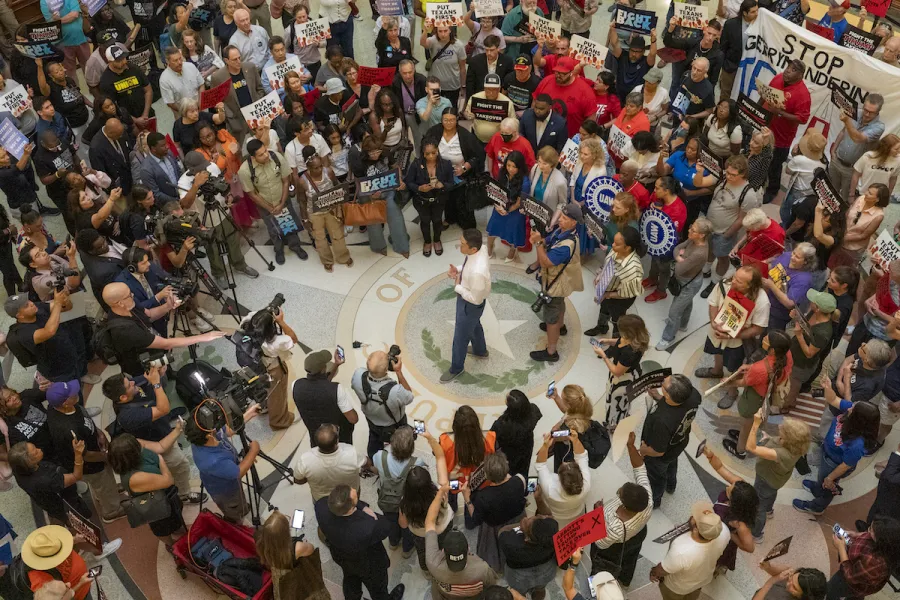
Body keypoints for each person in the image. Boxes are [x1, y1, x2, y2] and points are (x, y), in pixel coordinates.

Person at [102, 368, 200, 503]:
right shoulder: (127, 416)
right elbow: (163, 409)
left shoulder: (130, 386)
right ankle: (184, 494)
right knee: (181, 465)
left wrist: (158, 371)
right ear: (123, 397)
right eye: (128, 384)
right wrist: (156, 384)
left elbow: (147, 376)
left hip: (160, 428)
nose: (132, 382)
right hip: (157, 442)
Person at [794, 377, 880, 515]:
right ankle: (818, 487)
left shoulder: (857, 444)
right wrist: (827, 388)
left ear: (859, 420)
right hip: (827, 452)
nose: (850, 406)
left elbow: (845, 465)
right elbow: (834, 400)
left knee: (828, 487)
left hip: (834, 464)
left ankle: (817, 506)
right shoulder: (852, 411)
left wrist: (830, 478)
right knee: (822, 477)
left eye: (853, 408)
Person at [101, 282, 224, 377]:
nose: (132, 295)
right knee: (156, 387)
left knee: (165, 372)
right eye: (128, 295)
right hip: (142, 367)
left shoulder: (130, 305)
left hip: (152, 350)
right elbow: (165, 344)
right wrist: (204, 337)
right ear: (120, 303)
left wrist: (168, 306)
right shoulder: (125, 330)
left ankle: (169, 375)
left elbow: (149, 314)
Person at [46, 380, 125, 523]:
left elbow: (84, 416)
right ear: (65, 403)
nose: (76, 392)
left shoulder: (60, 406)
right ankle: (112, 511)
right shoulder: (67, 429)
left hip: (95, 449)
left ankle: (108, 492)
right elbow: (86, 455)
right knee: (102, 481)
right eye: (71, 393)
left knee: (104, 484)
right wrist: (107, 456)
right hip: (91, 465)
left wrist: (98, 432)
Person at [316, 485, 405, 600]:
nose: (354, 489)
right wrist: (367, 510)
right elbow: (386, 526)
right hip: (369, 564)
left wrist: (361, 506)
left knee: (350, 580)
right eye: (355, 497)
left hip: (341, 556)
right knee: (378, 588)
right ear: (350, 508)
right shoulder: (369, 526)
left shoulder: (321, 506)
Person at [590, 432, 652, 586]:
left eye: (620, 493)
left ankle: (596, 587)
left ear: (624, 504)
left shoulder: (615, 528)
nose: (618, 491)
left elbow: (600, 543)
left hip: (614, 545)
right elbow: (640, 469)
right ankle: (625, 579)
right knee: (630, 557)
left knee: (602, 567)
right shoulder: (647, 499)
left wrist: (597, 513)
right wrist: (631, 446)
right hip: (638, 534)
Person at [186, 402, 261, 523]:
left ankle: (241, 509)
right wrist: (253, 451)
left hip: (230, 476)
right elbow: (238, 472)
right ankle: (237, 521)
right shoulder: (211, 460)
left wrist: (249, 414)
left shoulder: (205, 434)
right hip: (225, 492)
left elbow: (229, 431)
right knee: (234, 509)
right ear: (209, 435)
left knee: (240, 500)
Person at [108, 432, 186, 544]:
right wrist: (160, 459)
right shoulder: (135, 478)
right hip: (156, 506)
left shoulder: (134, 454)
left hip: (165, 496)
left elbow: (159, 446)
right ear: (132, 453)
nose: (139, 444)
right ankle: (170, 544)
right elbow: (168, 480)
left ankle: (177, 530)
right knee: (163, 528)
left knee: (175, 519)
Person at [239, 139, 309, 264]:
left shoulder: (276, 157)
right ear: (252, 157)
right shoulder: (245, 171)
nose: (266, 155)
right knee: (273, 228)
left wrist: (282, 203)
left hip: (282, 198)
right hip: (264, 205)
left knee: (288, 224)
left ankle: (295, 246)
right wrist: (270, 208)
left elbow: (286, 181)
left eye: (265, 150)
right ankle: (279, 250)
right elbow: (252, 194)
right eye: (260, 154)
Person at [530, 203, 584, 362]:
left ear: (574, 222)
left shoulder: (566, 246)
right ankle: (561, 327)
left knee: (551, 315)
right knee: (559, 303)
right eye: (561, 216)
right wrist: (541, 239)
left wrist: (538, 243)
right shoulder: (564, 232)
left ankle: (551, 351)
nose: (560, 219)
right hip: (559, 282)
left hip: (555, 284)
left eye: (565, 218)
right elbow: (549, 240)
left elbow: (546, 262)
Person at [640, 374, 701, 508]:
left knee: (656, 476)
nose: (661, 382)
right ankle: (671, 486)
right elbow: (678, 409)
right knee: (671, 465)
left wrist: (643, 450)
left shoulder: (662, 421)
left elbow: (658, 451)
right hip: (678, 443)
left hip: (660, 454)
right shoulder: (693, 395)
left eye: (663, 384)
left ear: (668, 395)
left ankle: (655, 500)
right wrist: (658, 397)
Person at [426, 488, 499, 598]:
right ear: (468, 549)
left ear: (443, 551)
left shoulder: (433, 564)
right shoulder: (483, 569)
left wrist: (440, 492)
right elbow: (492, 586)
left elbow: (429, 522)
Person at [649, 501, 731, 600]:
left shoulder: (681, 550)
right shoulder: (725, 532)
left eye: (695, 518)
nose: (692, 516)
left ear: (696, 529)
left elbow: (662, 570)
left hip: (677, 588)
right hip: (703, 580)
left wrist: (654, 572)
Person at [461, 452, 527, 572]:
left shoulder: (483, 496)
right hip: (517, 520)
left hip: (494, 529)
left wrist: (467, 498)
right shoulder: (520, 480)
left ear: (487, 475)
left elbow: (476, 519)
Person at [348, 135, 411, 257]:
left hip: (388, 190)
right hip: (368, 194)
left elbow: (395, 167)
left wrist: (400, 180)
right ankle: (378, 246)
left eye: (378, 151)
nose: (376, 154)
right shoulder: (359, 161)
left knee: (396, 218)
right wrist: (371, 195)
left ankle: (402, 246)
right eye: (372, 152)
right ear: (366, 151)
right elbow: (359, 182)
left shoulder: (386, 153)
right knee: (373, 222)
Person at [699, 448, 759, 573]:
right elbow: (720, 468)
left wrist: (731, 535)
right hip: (713, 527)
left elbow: (750, 547)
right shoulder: (739, 486)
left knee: (717, 558)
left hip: (722, 540)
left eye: (730, 490)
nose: (728, 485)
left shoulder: (740, 523)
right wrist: (710, 456)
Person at [657, 219, 712, 350]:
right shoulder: (693, 240)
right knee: (686, 302)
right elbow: (677, 248)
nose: (689, 230)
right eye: (691, 227)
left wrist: (679, 259)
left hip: (689, 283)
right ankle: (682, 325)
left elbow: (679, 269)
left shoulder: (700, 252)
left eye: (693, 230)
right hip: (687, 281)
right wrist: (679, 258)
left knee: (674, 312)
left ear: (702, 235)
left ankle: (667, 338)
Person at [426, 107, 484, 230]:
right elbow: (426, 149)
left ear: (456, 120)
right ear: (441, 120)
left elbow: (477, 155)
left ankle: (468, 225)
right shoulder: (434, 132)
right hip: (442, 173)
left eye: (452, 120)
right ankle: (449, 218)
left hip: (462, 174)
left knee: (463, 200)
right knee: (447, 199)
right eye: (445, 120)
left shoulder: (465, 135)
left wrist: (464, 167)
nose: (448, 123)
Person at [295, 147, 353, 272]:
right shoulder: (302, 181)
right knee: (320, 239)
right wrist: (305, 219)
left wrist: (340, 206)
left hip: (331, 210)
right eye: (316, 168)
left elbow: (339, 188)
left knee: (337, 234)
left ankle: (343, 256)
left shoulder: (329, 172)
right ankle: (327, 260)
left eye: (321, 166)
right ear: (309, 169)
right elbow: (302, 201)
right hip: (314, 214)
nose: (320, 169)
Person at [350, 349, 415, 458]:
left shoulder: (358, 375)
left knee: (374, 438)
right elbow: (409, 396)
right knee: (399, 443)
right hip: (393, 424)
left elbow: (354, 386)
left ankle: (373, 459)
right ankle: (394, 460)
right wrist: (398, 371)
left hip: (371, 419)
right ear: (387, 368)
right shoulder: (395, 391)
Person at [763, 60, 812, 203]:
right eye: (788, 67)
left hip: (782, 137)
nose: (787, 71)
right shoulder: (778, 78)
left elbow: (802, 119)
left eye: (793, 70)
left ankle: (772, 190)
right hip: (766, 127)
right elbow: (766, 94)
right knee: (762, 156)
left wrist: (780, 112)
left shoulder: (803, 94)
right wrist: (757, 111)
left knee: (775, 165)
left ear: (800, 75)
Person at [9, 438, 89, 523]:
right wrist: (78, 454)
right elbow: (76, 476)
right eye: (36, 452)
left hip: (45, 497)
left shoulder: (18, 468)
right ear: (29, 463)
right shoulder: (45, 480)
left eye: (35, 447)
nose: (39, 449)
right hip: (62, 502)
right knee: (75, 518)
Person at [254, 511, 329, 600]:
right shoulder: (297, 548)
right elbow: (311, 548)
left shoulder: (263, 543)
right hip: (299, 582)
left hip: (281, 581)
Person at [586, 226, 644, 337]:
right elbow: (607, 264)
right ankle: (602, 327)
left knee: (617, 319)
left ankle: (615, 344)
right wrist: (600, 277)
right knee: (604, 308)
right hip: (608, 288)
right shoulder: (616, 250)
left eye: (617, 244)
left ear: (627, 248)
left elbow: (626, 294)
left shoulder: (633, 268)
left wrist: (608, 294)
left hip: (621, 298)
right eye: (614, 242)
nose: (612, 246)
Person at [595, 314, 650, 430]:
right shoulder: (635, 338)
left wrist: (604, 356)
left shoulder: (630, 352)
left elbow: (617, 372)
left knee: (617, 403)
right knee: (620, 401)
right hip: (627, 373)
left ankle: (614, 425)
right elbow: (621, 341)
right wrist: (608, 341)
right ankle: (618, 418)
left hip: (624, 379)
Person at [828, 94, 885, 201]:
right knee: (830, 192)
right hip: (836, 161)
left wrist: (847, 121)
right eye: (865, 110)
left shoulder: (879, 127)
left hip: (852, 169)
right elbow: (843, 131)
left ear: (878, 112)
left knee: (844, 200)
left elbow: (857, 138)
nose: (867, 114)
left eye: (871, 112)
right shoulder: (855, 113)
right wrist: (833, 150)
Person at [826, 517, 900, 599]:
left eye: (870, 530)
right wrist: (855, 534)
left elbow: (850, 576)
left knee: (831, 589)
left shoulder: (874, 562)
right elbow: (867, 535)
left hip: (852, 584)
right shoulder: (888, 545)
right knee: (856, 596)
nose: (867, 531)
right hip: (862, 578)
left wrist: (841, 548)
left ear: (881, 540)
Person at [405, 139, 454, 257]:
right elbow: (409, 182)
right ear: (423, 153)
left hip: (439, 199)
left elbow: (451, 184)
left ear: (437, 150)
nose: (431, 156)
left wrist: (442, 185)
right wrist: (419, 188)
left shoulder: (446, 164)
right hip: (421, 200)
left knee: (437, 220)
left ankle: (437, 240)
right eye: (427, 154)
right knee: (425, 221)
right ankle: (427, 241)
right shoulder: (416, 164)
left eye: (433, 152)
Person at [294, 424, 366, 502]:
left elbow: (298, 480)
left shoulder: (305, 459)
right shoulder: (352, 452)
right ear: (337, 440)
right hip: (350, 495)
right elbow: (367, 464)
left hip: (321, 499)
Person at [210, 45, 265, 144]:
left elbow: (260, 88)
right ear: (226, 61)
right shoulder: (217, 77)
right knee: (239, 151)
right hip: (235, 120)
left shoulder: (250, 67)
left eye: (239, 58)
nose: (238, 61)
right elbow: (216, 101)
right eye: (234, 59)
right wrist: (227, 114)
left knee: (263, 145)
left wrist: (257, 103)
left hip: (255, 115)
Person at [531, 57, 595, 139]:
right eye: (556, 72)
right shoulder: (546, 81)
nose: (558, 76)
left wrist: (581, 139)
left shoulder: (585, 91)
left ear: (571, 72)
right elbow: (534, 102)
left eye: (563, 73)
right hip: (542, 133)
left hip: (570, 138)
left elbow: (591, 120)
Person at [535, 431, 589, 527]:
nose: (564, 462)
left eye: (565, 465)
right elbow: (582, 457)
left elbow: (540, 465)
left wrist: (545, 445)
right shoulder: (586, 484)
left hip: (554, 514)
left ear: (559, 478)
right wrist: (575, 441)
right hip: (576, 512)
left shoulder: (550, 489)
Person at [498, 515, 558, 600]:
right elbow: (549, 517)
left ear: (527, 538)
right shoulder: (550, 535)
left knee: (518, 594)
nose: (536, 516)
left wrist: (521, 525)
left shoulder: (510, 545)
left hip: (519, 578)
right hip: (547, 571)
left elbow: (502, 531)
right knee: (540, 589)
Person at [486, 151, 529, 261]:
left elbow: (519, 203)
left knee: (514, 231)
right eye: (508, 165)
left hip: (515, 210)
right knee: (492, 228)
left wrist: (507, 210)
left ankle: (512, 251)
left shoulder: (525, 182)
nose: (510, 169)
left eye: (514, 166)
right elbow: (496, 191)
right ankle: (489, 247)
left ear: (520, 167)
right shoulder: (502, 173)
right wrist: (497, 206)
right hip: (500, 205)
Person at [490, 390, 542, 478]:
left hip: (509, 453)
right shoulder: (533, 411)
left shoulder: (501, 424)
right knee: (524, 468)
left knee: (510, 472)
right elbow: (538, 415)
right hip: (527, 446)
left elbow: (492, 437)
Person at [98, 46, 153, 130]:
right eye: (119, 60)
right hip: (128, 123)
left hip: (147, 115)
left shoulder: (134, 68)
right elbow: (113, 108)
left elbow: (148, 90)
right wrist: (135, 120)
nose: (124, 62)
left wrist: (145, 114)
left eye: (124, 58)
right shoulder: (106, 81)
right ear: (109, 62)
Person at [608, 25, 658, 105]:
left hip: (635, 99)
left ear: (643, 51)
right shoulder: (623, 55)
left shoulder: (646, 62)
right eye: (632, 50)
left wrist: (653, 40)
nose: (634, 54)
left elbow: (652, 53)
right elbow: (615, 43)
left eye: (637, 51)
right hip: (618, 94)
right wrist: (613, 29)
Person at [719, 0, 758, 98]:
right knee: (725, 94)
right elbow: (723, 47)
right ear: (745, 13)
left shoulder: (760, 26)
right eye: (753, 12)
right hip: (731, 67)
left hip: (749, 69)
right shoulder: (730, 24)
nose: (756, 14)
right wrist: (724, 65)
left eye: (757, 11)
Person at [88, 118, 135, 199]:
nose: (121, 136)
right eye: (118, 135)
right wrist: (115, 192)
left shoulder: (119, 131)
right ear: (110, 133)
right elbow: (102, 175)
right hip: (118, 188)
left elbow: (128, 149)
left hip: (131, 177)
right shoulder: (96, 148)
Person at [464, 73, 516, 144]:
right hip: (477, 138)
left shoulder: (507, 102)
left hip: (498, 141)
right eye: (488, 89)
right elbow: (466, 112)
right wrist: (468, 115)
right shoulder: (475, 98)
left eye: (494, 90)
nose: (491, 92)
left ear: (499, 89)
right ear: (484, 88)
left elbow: (514, 122)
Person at [850, 134, 900, 199]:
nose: (899, 151)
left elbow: (893, 179)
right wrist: (851, 194)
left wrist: (888, 195)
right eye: (896, 149)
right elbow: (855, 175)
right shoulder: (868, 156)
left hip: (879, 197)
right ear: (886, 148)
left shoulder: (898, 160)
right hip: (862, 194)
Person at [159, 46, 205, 116]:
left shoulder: (191, 66)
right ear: (167, 61)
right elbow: (170, 103)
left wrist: (200, 104)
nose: (180, 62)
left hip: (200, 108)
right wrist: (186, 112)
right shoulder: (164, 80)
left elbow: (201, 85)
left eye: (180, 58)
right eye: (175, 60)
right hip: (183, 115)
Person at [529, 147, 568, 223]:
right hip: (534, 215)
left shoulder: (560, 181)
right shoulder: (535, 168)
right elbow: (531, 190)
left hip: (549, 219)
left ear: (552, 164)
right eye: (539, 161)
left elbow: (562, 203)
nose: (540, 166)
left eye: (545, 163)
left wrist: (553, 221)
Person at [754, 562, 826, 600]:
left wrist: (770, 583)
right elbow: (785, 571)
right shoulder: (798, 579)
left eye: (794, 587)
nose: (788, 584)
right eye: (792, 578)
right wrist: (768, 567)